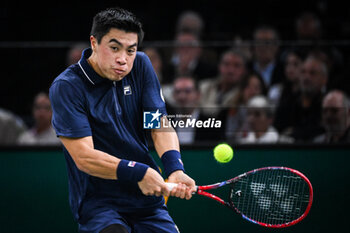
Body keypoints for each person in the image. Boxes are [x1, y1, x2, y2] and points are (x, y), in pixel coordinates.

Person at [49, 8, 196, 233]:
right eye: (114, 48)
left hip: (146, 204)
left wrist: (174, 167)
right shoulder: (68, 87)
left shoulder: (141, 65)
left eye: (130, 50)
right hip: (99, 204)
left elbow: (157, 123)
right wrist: (139, 173)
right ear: (94, 43)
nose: (123, 59)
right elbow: (84, 157)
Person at [274, 54, 328, 142]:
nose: (306, 77)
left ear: (324, 79)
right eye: (303, 72)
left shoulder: (327, 105)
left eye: (312, 73)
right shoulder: (288, 103)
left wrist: (294, 131)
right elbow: (277, 131)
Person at [199, 49, 248, 117]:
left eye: (236, 66)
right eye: (226, 64)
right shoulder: (203, 86)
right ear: (219, 67)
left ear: (244, 70)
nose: (231, 70)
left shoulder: (244, 94)